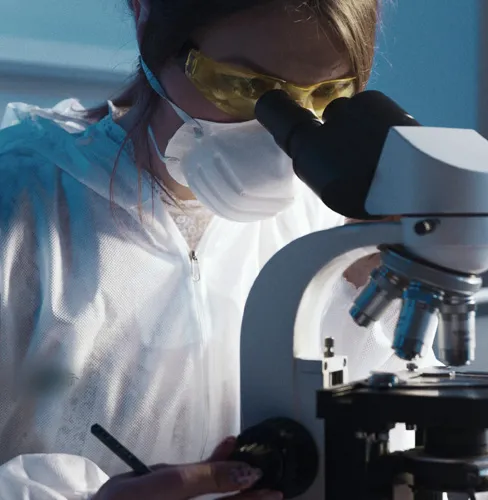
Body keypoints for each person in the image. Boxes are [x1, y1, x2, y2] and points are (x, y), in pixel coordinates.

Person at [0, 0, 439, 498]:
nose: (279, 132)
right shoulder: (21, 206)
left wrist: (372, 265)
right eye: (244, 86)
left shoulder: (322, 221)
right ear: (148, 25)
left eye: (325, 95)